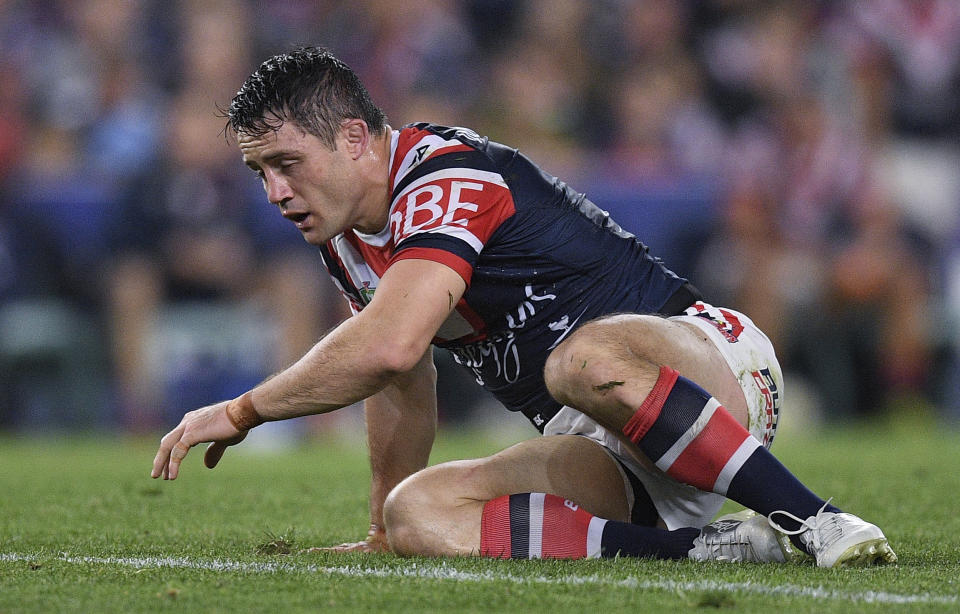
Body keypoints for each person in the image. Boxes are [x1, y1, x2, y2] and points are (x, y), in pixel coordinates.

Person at [151, 46, 896, 568]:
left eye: (286, 165)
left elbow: (391, 345)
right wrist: (381, 525)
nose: (274, 193)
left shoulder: (445, 174)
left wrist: (245, 410)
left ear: (353, 138)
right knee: (420, 512)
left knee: (578, 359)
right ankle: (710, 546)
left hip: (709, 368)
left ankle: (817, 519)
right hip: (605, 442)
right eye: (259, 172)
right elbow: (400, 383)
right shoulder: (348, 237)